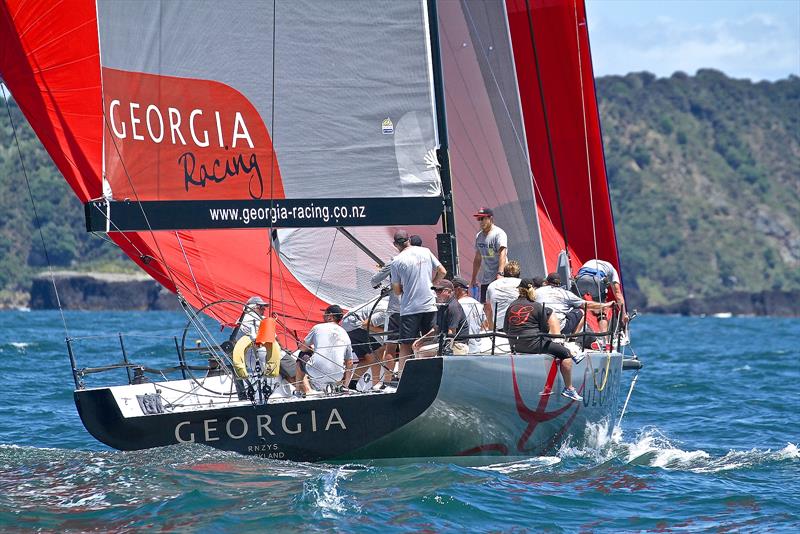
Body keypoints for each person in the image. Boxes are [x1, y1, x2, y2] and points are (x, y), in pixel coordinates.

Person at [504, 279, 583, 401]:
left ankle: (550, 385)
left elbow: (505, 328)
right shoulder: (537, 306)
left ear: (519, 290)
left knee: (553, 347)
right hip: (534, 345)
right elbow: (545, 329)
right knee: (565, 354)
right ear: (533, 290)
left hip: (515, 345)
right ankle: (569, 388)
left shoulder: (512, 306)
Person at [390, 230, 447, 375]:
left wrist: (404, 289)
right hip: (429, 304)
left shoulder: (396, 261)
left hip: (410, 308)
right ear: (409, 240)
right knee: (430, 341)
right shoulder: (426, 251)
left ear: (396, 244)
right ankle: (433, 374)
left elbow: (396, 290)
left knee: (405, 344)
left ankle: (403, 375)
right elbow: (442, 271)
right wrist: (432, 283)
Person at [536, 272, 612, 348]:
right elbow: (586, 305)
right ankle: (572, 340)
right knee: (581, 311)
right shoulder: (565, 293)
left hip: (540, 327)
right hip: (560, 328)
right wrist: (606, 305)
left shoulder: (537, 292)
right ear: (559, 283)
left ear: (546, 282)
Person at [296, 305, 355, 393]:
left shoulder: (318, 327)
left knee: (301, 355)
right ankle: (341, 389)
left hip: (316, 371)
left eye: (325, 314)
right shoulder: (345, 333)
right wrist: (345, 385)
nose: (323, 316)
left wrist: (309, 350)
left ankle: (301, 390)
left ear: (330, 316)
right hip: (337, 376)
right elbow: (350, 362)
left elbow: (302, 348)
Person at [413, 279, 469, 357]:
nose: (437, 293)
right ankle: (422, 368)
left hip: (458, 344)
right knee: (417, 346)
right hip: (445, 340)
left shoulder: (453, 307)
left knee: (422, 350)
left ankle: (429, 368)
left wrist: (442, 347)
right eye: (436, 291)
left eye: (440, 290)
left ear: (449, 292)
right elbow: (436, 328)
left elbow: (452, 332)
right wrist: (421, 339)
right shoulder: (442, 306)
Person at [340, 296, 388, 388]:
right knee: (380, 348)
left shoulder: (383, 303)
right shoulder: (387, 310)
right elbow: (366, 325)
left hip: (347, 324)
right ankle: (376, 384)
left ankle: (351, 385)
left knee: (368, 359)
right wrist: (384, 333)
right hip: (355, 323)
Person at [575, 259, 627, 333]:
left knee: (576, 309)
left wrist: (589, 306)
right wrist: (623, 315)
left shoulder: (589, 262)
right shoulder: (613, 270)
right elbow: (618, 294)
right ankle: (604, 338)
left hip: (580, 279)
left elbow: (582, 301)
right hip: (595, 281)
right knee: (601, 313)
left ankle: (573, 335)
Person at [470, 207, 508, 303]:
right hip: (486, 278)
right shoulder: (479, 236)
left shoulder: (499, 233)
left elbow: (502, 253)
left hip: (499, 278)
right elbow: (478, 258)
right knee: (485, 306)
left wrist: (500, 273)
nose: (481, 221)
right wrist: (473, 278)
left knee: (499, 306)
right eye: (479, 219)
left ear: (490, 218)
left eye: (483, 218)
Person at [484, 260, 522, 331]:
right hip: (520, 327)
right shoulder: (523, 284)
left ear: (504, 272)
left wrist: (491, 330)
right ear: (519, 273)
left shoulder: (492, 285)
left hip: (499, 328)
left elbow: (488, 310)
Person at [235, 296, 269, 374]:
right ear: (254, 307)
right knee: (295, 370)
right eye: (261, 307)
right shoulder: (259, 319)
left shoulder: (239, 321)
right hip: (263, 356)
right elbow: (273, 338)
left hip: (250, 361)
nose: (264, 310)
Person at [453, 276, 487, 354]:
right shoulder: (478, 304)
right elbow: (484, 325)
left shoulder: (456, 306)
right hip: (477, 349)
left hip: (461, 350)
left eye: (452, 289)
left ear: (458, 289)